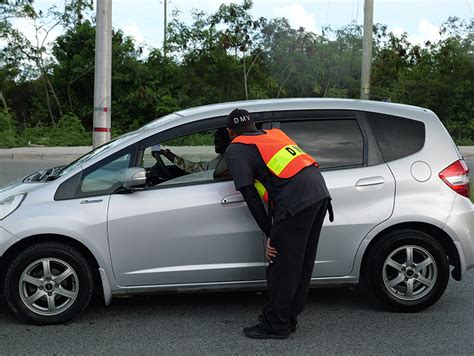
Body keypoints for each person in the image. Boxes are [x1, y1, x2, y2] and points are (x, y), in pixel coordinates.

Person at [224, 108, 333, 339]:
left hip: (296, 203)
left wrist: (270, 232)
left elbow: (249, 195)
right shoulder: (275, 135)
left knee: (282, 267)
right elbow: (280, 180)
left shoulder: (236, 149)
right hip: (319, 194)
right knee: (301, 264)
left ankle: (277, 325)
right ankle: (288, 317)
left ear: (229, 132)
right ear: (254, 125)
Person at [149, 128, 230, 183]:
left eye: (218, 139)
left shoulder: (226, 160)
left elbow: (194, 168)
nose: (215, 142)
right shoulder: (223, 157)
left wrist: (167, 154)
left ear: (228, 140)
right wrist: (167, 154)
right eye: (215, 138)